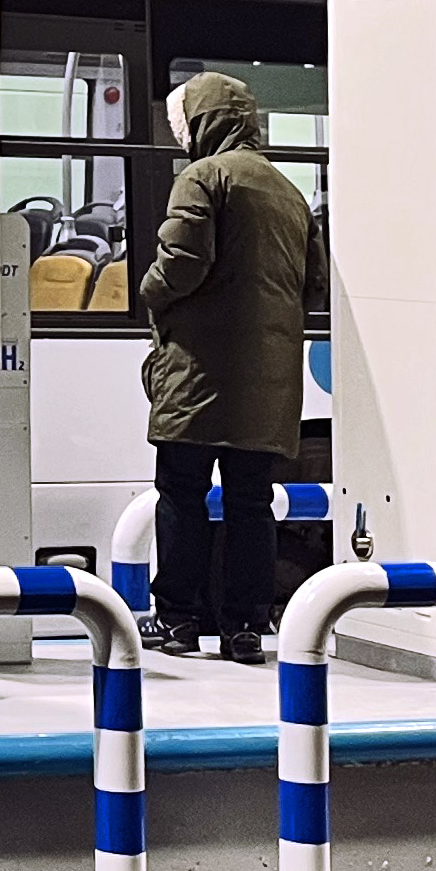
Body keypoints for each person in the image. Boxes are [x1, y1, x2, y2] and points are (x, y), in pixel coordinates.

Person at [135, 69, 320, 660]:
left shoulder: (202, 177)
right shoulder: (289, 192)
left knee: (181, 494)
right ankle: (245, 626)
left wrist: (149, 289)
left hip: (199, 374)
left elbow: (181, 265)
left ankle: (178, 621)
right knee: (251, 501)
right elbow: (312, 287)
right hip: (268, 383)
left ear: (202, 122)